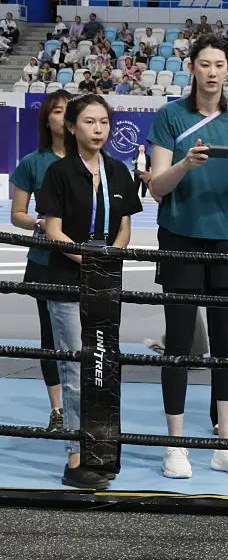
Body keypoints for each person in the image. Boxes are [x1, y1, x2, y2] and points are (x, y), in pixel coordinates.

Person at [146, 35, 228, 480]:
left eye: (220, 64)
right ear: (192, 68)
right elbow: (157, 187)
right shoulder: (170, 117)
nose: (213, 72)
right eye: (205, 64)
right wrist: (185, 165)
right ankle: (176, 446)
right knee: (179, 343)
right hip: (180, 238)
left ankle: (225, 445)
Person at [37, 94, 143, 489]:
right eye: (89, 122)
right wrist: (89, 259)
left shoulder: (118, 170)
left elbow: (126, 228)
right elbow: (53, 230)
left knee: (105, 364)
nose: (98, 129)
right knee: (75, 367)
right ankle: (77, 453)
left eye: (104, 122)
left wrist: (108, 259)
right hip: (67, 281)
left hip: (105, 283)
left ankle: (103, 447)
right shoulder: (59, 172)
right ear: (72, 127)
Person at [10, 90, 73, 433]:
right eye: (58, 111)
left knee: (88, 338)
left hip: (84, 261)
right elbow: (17, 214)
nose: (64, 117)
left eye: (68, 111)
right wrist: (40, 223)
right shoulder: (32, 163)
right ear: (46, 119)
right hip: (45, 261)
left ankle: (84, 405)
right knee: (50, 337)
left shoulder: (91, 160)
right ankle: (58, 410)